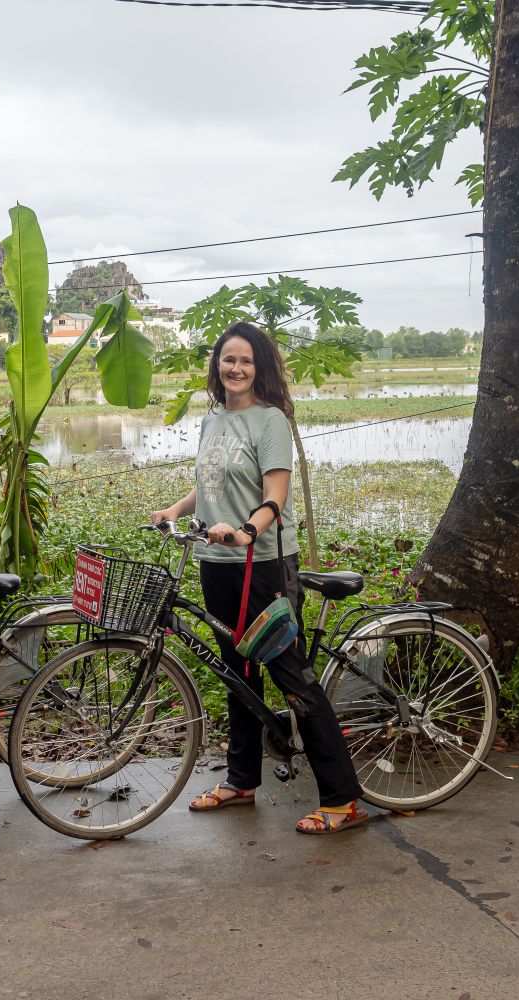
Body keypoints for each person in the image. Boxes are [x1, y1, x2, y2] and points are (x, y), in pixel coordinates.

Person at [150, 322, 368, 834]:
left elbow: (276, 495)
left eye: (246, 360)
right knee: (237, 674)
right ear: (217, 365)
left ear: (259, 367)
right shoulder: (213, 420)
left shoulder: (270, 421)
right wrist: (174, 510)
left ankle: (342, 798)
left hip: (262, 563)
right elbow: (209, 484)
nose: (236, 368)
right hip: (217, 563)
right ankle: (242, 781)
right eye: (228, 359)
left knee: (291, 676)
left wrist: (247, 531)